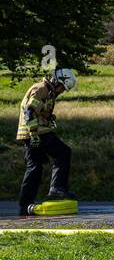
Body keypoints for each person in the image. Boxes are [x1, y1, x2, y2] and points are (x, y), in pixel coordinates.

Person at [16, 68, 78, 216]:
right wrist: (34, 134)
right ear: (57, 81)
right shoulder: (41, 89)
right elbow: (29, 111)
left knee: (35, 168)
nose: (62, 91)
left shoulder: (48, 92)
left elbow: (38, 110)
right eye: (62, 87)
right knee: (63, 152)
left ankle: (25, 206)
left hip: (34, 132)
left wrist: (48, 116)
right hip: (36, 132)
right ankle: (56, 189)